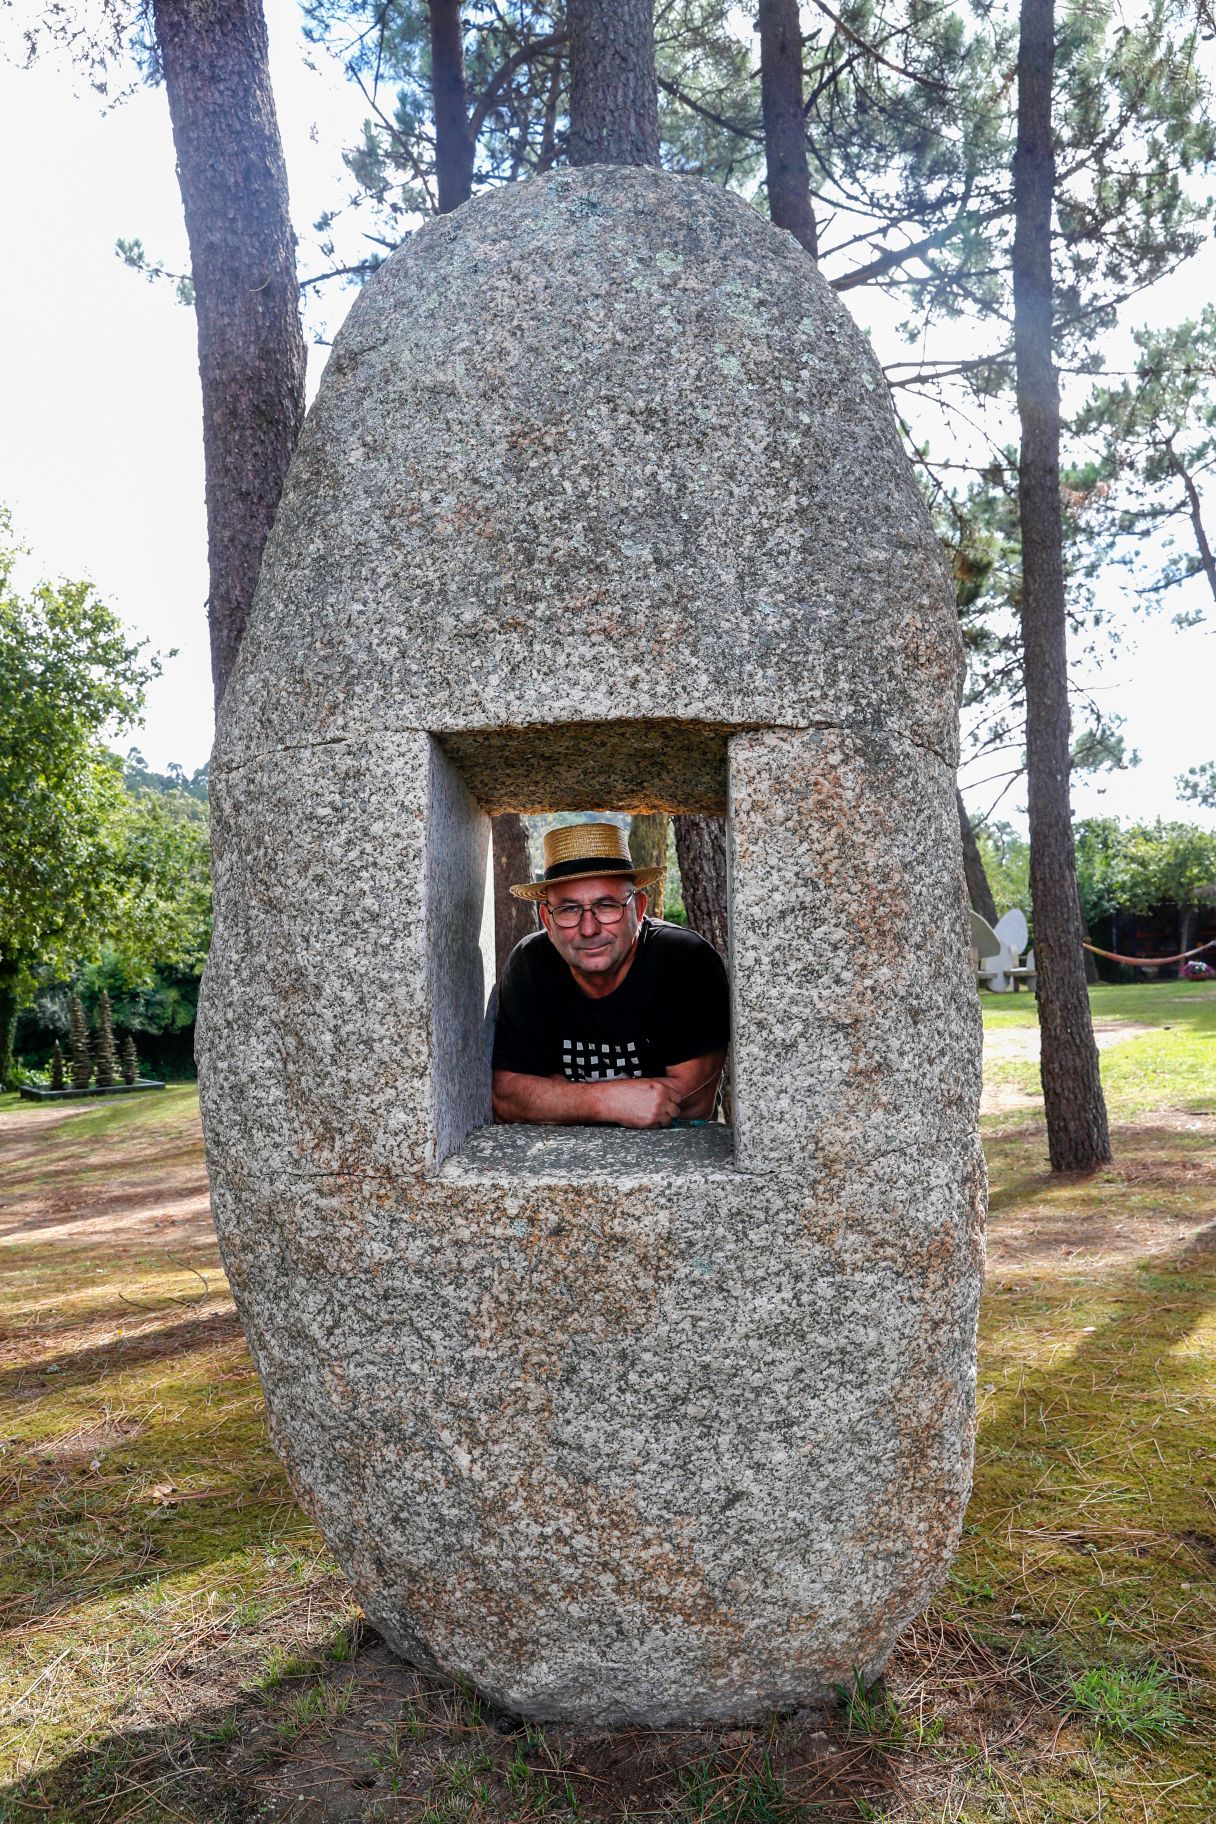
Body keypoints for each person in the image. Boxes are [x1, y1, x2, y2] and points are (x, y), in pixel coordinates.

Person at [491, 821, 729, 1128]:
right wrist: (609, 1101)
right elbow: (506, 1098)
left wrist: (556, 1095)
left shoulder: (683, 961)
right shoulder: (531, 963)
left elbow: (694, 1101)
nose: (588, 929)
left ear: (638, 909)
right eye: (568, 909)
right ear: (547, 921)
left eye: (606, 905)